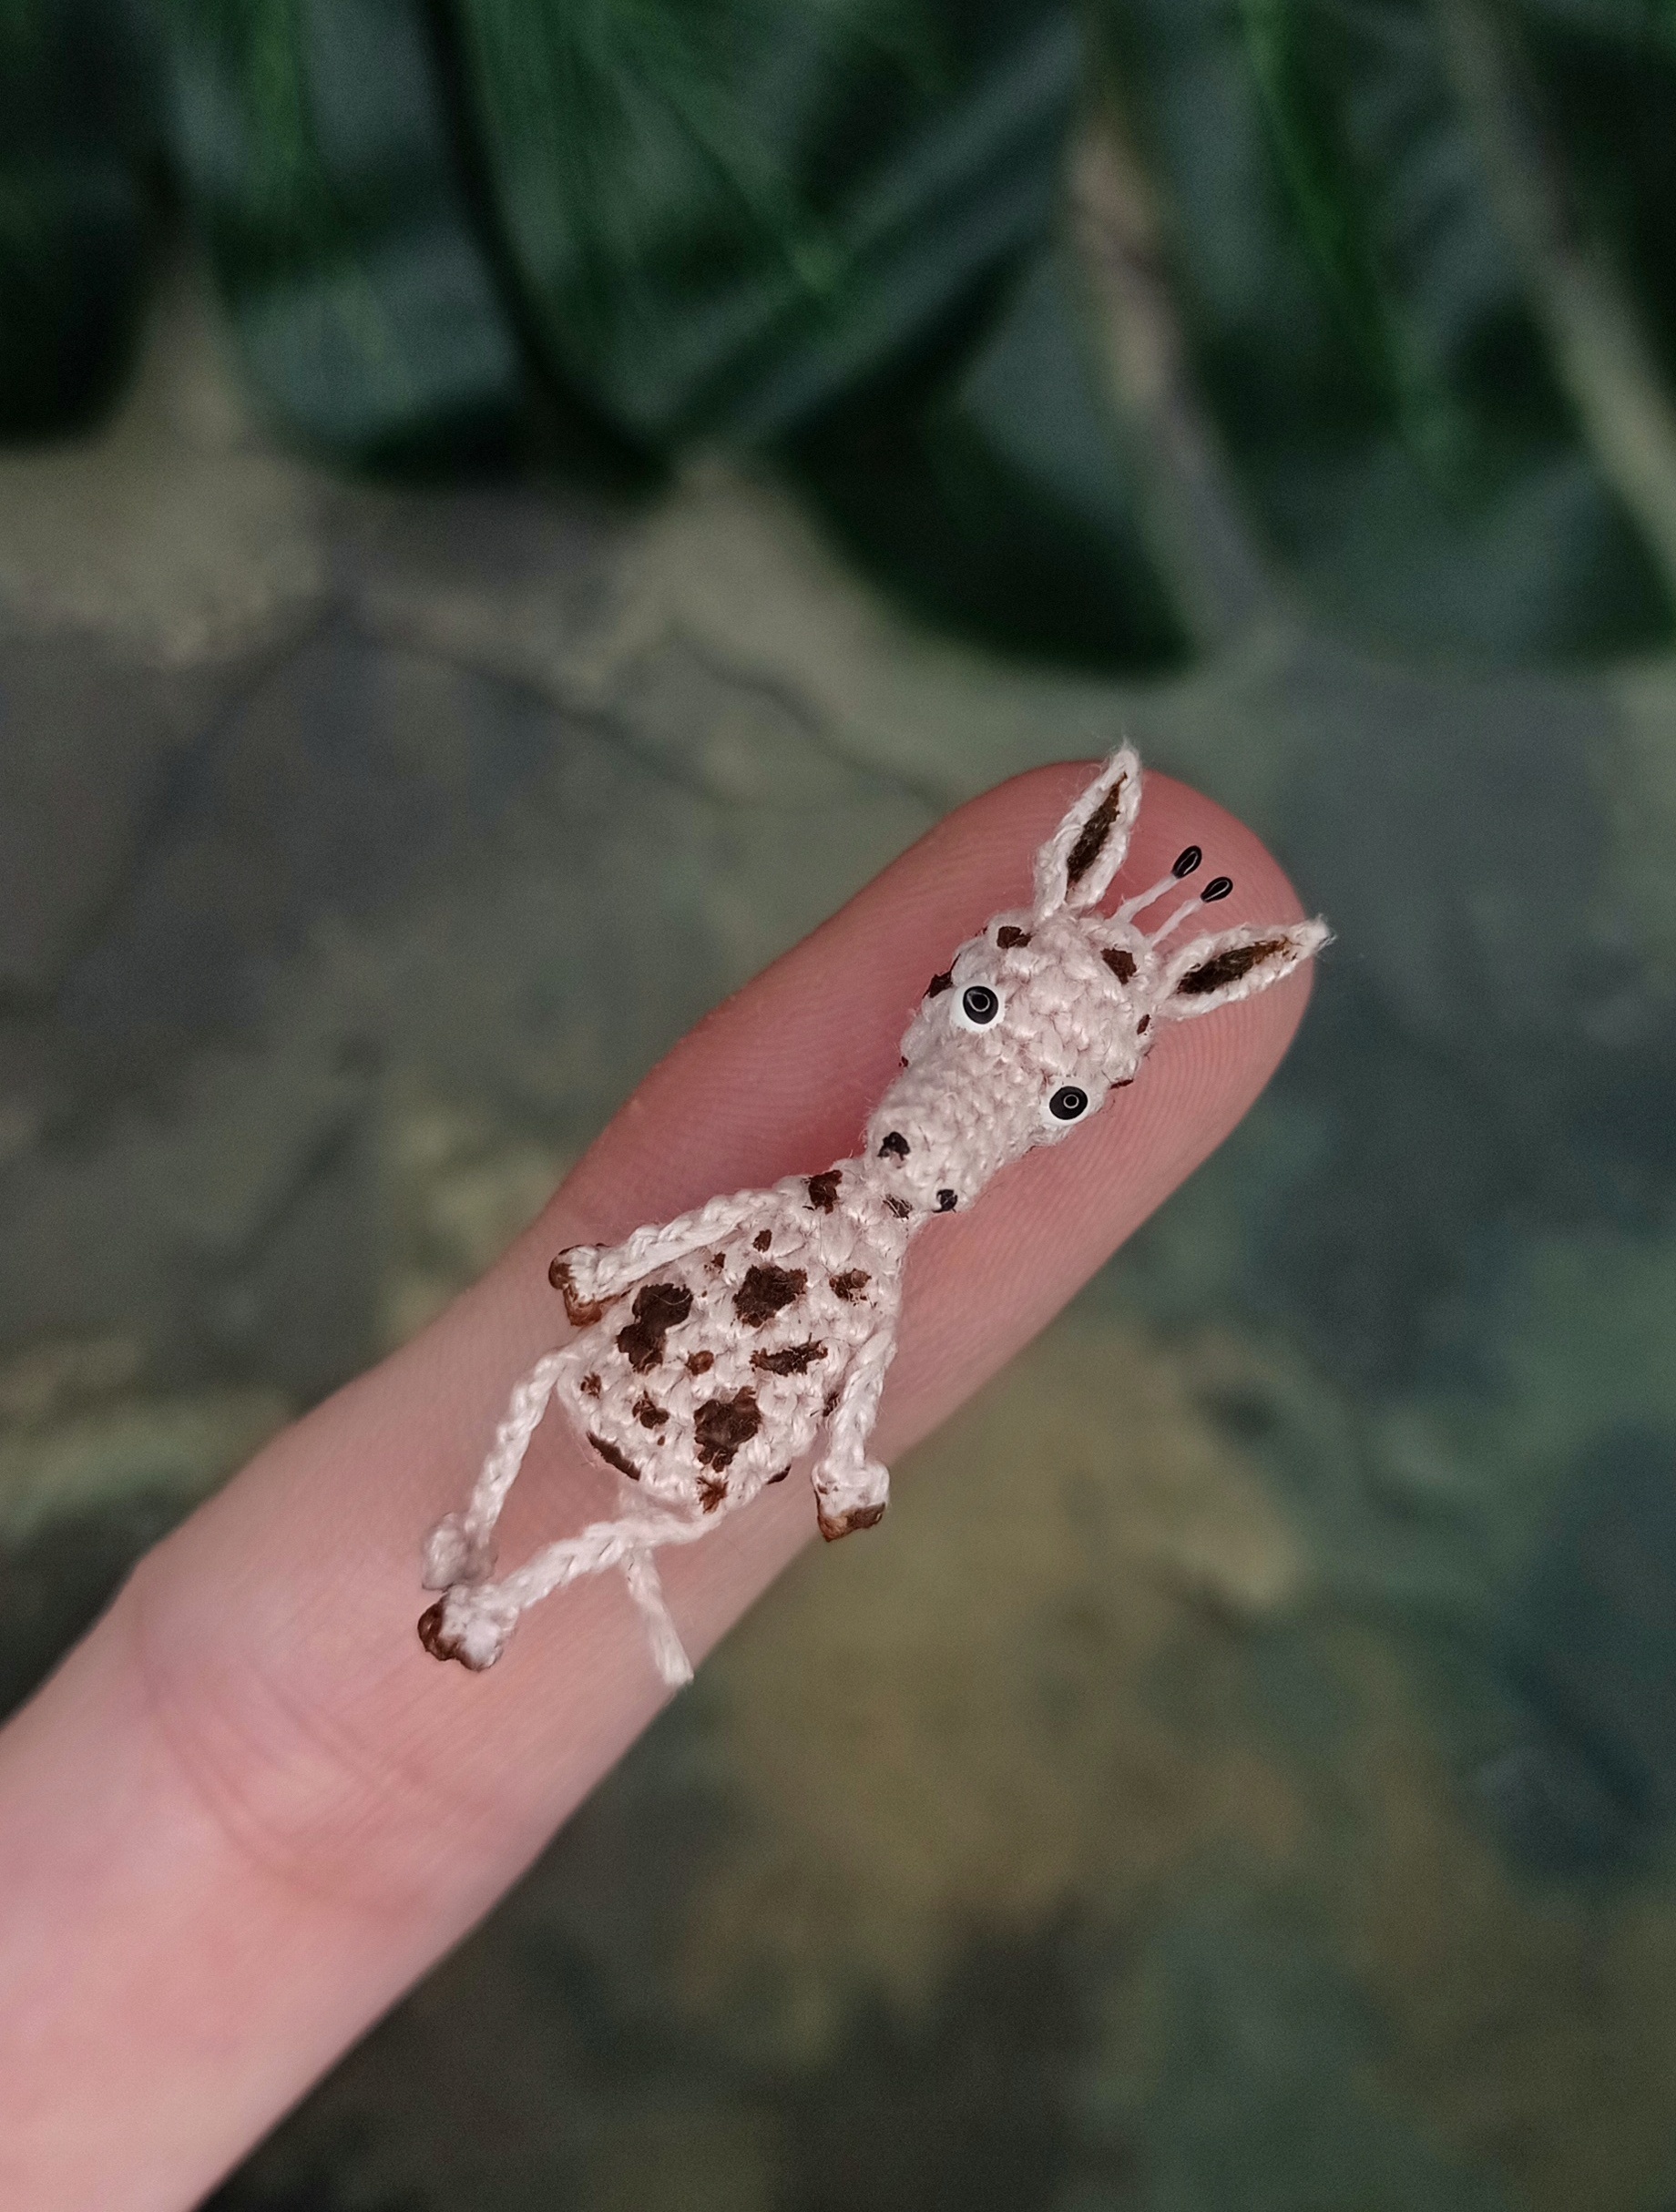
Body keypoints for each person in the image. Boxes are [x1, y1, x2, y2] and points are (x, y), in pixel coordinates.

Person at [0, 762, 1315, 2209]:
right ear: (954, 993)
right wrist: (631, 1278)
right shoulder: (826, 1224)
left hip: (716, 1397)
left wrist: (832, 1447)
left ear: (1065, 1110)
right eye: (985, 1006)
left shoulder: (863, 1264)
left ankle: (502, 1583)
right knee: (548, 1395)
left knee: (622, 1466)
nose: (989, 1077)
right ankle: (486, 1561)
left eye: (1057, 1089)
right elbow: (733, 1240)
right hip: (678, 1352)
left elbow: (839, 1349)